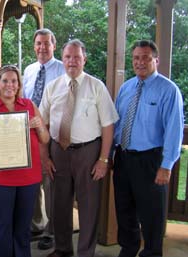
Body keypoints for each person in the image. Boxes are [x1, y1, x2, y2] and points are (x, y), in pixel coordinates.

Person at [39, 39, 119, 257]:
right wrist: (44, 157)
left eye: (76, 57)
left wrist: (103, 160)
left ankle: (85, 253)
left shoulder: (97, 86)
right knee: (60, 205)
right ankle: (63, 249)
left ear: (84, 58)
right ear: (62, 59)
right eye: (67, 57)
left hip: (88, 153)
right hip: (58, 151)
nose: (71, 61)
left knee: (89, 206)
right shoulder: (52, 87)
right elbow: (42, 124)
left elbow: (108, 125)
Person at [113, 39, 184, 257]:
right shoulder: (126, 88)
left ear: (156, 60)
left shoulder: (168, 90)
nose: (140, 62)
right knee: (125, 211)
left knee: (152, 215)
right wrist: (109, 156)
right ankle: (128, 249)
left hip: (151, 161)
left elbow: (174, 130)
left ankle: (152, 253)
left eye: (145, 57)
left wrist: (166, 165)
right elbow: (117, 125)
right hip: (123, 159)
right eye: (136, 58)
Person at [0, 65, 50, 257]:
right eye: (5, 80)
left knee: (23, 229)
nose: (10, 85)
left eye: (14, 81)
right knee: (1, 227)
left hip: (28, 179)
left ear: (19, 85)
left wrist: (39, 126)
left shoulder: (30, 106)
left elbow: (45, 139)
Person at [23, 28, 65, 250]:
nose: (42, 47)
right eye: (38, 43)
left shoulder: (62, 69)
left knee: (50, 184)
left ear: (54, 45)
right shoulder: (29, 70)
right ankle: (36, 224)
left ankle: (52, 230)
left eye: (46, 43)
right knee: (32, 181)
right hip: (29, 135)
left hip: (52, 135)